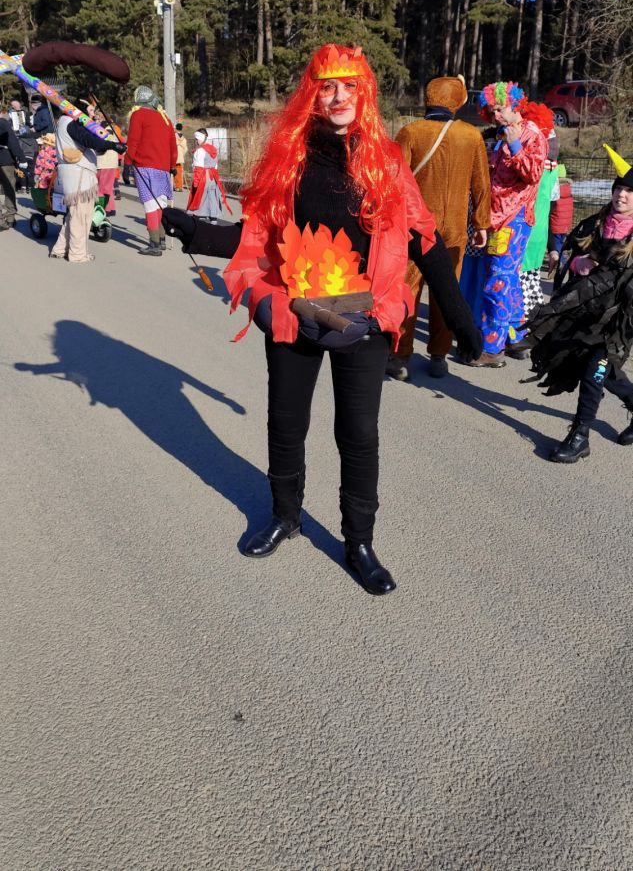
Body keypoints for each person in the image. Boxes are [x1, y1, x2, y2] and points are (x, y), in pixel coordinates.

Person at [162, 43, 482, 595]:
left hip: (364, 320)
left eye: (348, 86)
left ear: (364, 93)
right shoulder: (289, 158)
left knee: (357, 433)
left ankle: (359, 542)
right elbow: (254, 238)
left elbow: (423, 241)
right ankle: (285, 516)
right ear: (312, 94)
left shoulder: (386, 161)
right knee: (286, 423)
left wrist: (462, 321)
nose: (338, 97)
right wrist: (194, 231)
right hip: (297, 314)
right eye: (327, 86)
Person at [530, 143, 633, 463]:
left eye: (630, 192)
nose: (622, 196)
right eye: (619, 189)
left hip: (615, 323)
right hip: (585, 315)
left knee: (594, 373)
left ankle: (579, 435)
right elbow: (570, 255)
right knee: (607, 374)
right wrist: (577, 263)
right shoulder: (595, 224)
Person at [388, 74, 490, 380]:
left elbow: (394, 181)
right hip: (455, 228)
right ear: (457, 102)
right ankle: (438, 356)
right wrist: (482, 224)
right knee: (447, 292)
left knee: (407, 288)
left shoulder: (410, 132)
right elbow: (481, 184)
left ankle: (400, 355)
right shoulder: (471, 136)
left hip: (415, 226)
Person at [472, 81, 547, 367]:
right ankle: (516, 336)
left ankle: (492, 347)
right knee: (508, 278)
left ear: (515, 104)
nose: (496, 116)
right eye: (492, 111)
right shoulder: (501, 136)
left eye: (500, 109)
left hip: (513, 219)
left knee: (498, 281)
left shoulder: (531, 134)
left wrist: (516, 146)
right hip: (496, 218)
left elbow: (533, 174)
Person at [50, 109, 126, 263]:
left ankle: (60, 249)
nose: (90, 117)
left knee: (74, 215)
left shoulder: (65, 123)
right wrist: (112, 145)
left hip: (77, 175)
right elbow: (89, 141)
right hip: (79, 176)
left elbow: (89, 143)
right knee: (81, 216)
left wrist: (105, 144)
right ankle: (77, 254)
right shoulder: (71, 123)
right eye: (88, 114)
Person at [125, 86, 178, 256]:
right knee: (160, 204)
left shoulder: (138, 115)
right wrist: (172, 165)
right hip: (163, 169)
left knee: (149, 205)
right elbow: (173, 145)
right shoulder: (165, 118)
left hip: (144, 166)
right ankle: (161, 239)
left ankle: (154, 243)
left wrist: (127, 163)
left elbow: (133, 141)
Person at [518, 104, 559, 322]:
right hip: (540, 233)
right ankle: (532, 323)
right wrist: (553, 247)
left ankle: (519, 325)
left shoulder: (528, 168)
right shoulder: (553, 170)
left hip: (522, 230)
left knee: (518, 283)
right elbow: (553, 205)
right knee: (532, 279)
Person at [186, 129, 231, 222]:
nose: (196, 141)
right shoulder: (213, 149)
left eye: (197, 139)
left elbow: (199, 168)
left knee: (201, 196)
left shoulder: (200, 151)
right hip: (213, 176)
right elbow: (215, 166)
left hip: (203, 176)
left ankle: (200, 218)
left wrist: (196, 183)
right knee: (212, 196)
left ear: (201, 138)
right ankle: (213, 218)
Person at [0, 111, 27, 230]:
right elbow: (12, 141)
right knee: (9, 188)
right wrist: (21, 158)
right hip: (4, 159)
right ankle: (10, 217)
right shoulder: (3, 123)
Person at [547, 164, 574, 274]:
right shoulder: (569, 191)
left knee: (555, 245)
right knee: (561, 243)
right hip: (566, 224)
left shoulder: (554, 191)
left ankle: (559, 262)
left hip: (555, 224)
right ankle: (561, 260)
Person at [174, 123, 188, 191]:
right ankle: (179, 187)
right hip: (180, 158)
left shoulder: (173, 137)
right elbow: (186, 149)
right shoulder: (184, 139)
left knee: (172, 172)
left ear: (176, 128)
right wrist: (182, 155)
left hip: (173, 157)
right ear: (181, 129)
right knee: (179, 172)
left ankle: (173, 186)